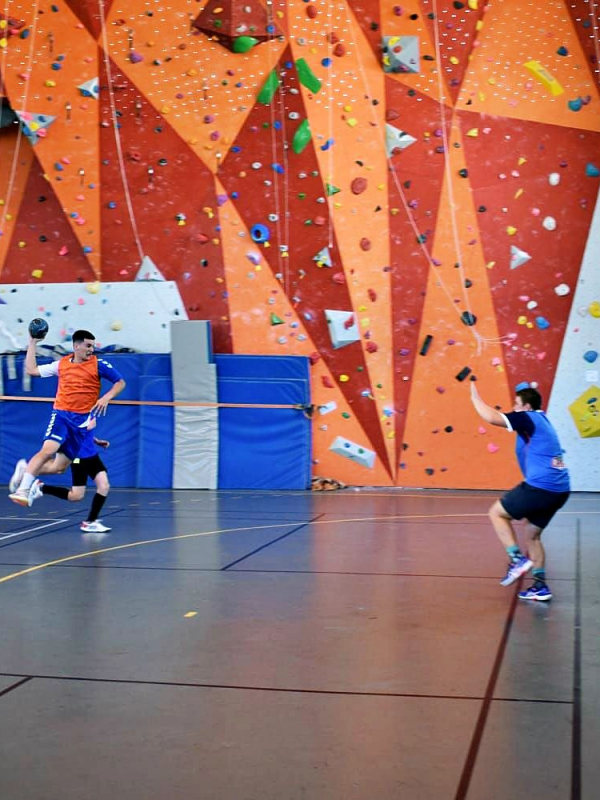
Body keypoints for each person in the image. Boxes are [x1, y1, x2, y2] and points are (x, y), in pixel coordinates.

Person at [470, 381, 570, 601]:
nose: (513, 408)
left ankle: (516, 559)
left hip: (542, 486)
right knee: (532, 536)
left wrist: (474, 398)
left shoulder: (529, 418)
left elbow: (492, 418)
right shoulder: (543, 421)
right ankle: (540, 586)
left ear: (525, 406)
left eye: (516, 404)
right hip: (561, 489)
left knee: (497, 513)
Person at [8, 329, 125, 507]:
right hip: (62, 415)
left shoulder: (98, 365)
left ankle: (26, 468)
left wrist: (106, 397)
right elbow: (31, 370)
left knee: (59, 467)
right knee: (48, 450)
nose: (91, 349)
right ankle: (23, 489)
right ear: (76, 346)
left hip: (80, 424)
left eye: (93, 346)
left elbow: (120, 382)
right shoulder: (61, 365)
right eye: (87, 345)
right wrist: (32, 343)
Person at [39, 420, 113, 533]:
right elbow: (70, 432)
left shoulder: (89, 412)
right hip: (79, 458)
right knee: (76, 496)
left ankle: (90, 522)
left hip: (92, 455)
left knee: (104, 486)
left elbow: (87, 433)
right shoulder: (72, 414)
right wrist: (86, 428)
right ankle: (41, 488)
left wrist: (97, 441)